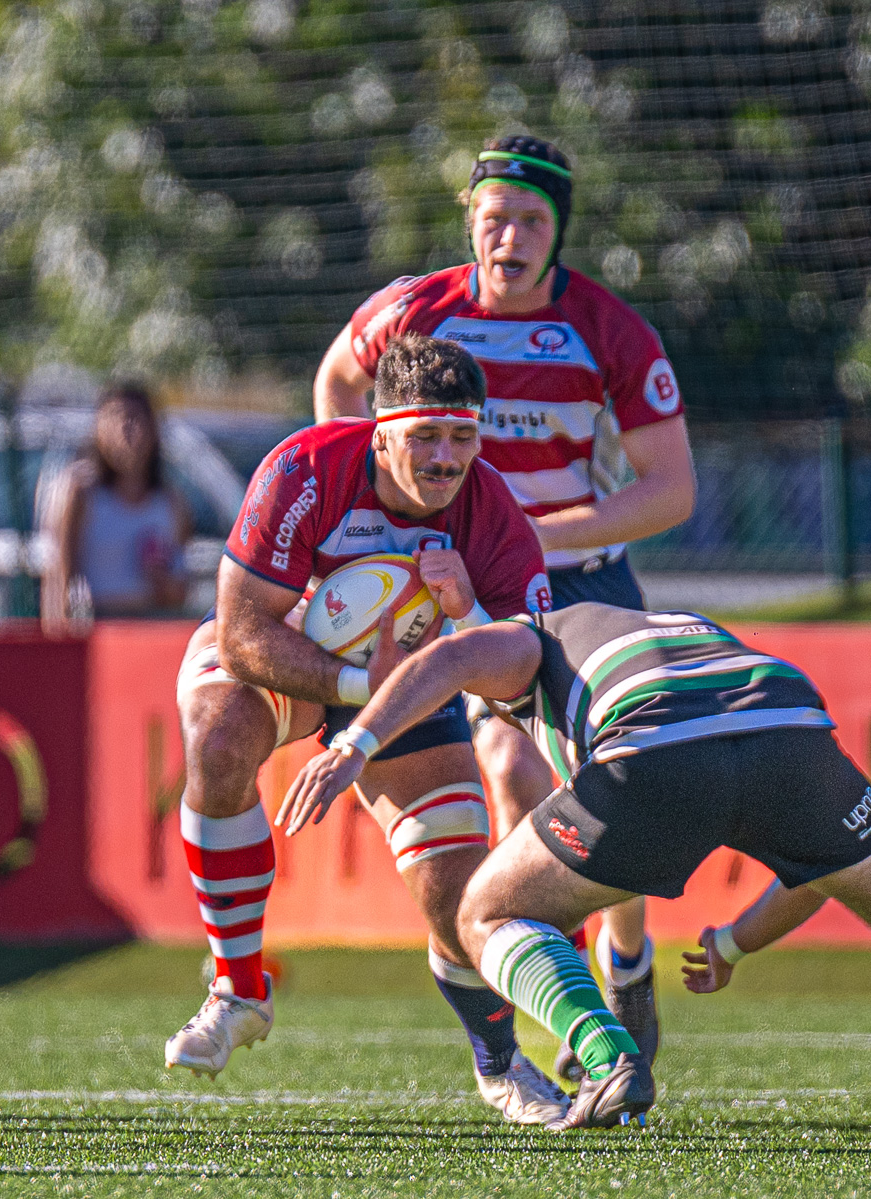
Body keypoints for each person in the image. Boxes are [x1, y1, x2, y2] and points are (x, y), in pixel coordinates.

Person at [280, 602, 871, 1131]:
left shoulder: (531, 640)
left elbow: (453, 659)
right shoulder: (680, 626)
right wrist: (733, 943)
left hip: (659, 751)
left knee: (485, 912)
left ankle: (608, 1053)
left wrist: (358, 740)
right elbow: (817, 869)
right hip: (791, 732)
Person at [312, 134, 697, 1080]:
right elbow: (336, 384)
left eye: (531, 220)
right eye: (495, 220)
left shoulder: (609, 329)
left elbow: (672, 489)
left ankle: (628, 953)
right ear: (471, 225)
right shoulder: (416, 309)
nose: (511, 236)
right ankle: (568, 1005)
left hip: (584, 582)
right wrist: (382, 500)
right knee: (511, 765)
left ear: (558, 231)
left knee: (617, 785)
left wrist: (538, 532)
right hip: (458, 581)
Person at [167, 333, 567, 1124]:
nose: (446, 458)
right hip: (300, 664)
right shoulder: (305, 469)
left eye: (463, 435)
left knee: (458, 895)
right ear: (380, 430)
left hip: (413, 686)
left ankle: (500, 1063)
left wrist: (469, 616)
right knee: (218, 740)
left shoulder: (492, 510)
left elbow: (530, 663)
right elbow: (241, 629)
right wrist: (357, 685)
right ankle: (238, 987)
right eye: (425, 435)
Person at [42, 383, 191, 626]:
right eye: (113, 417)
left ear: (153, 428)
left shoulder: (170, 501)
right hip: (97, 626)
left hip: (152, 628)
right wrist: (59, 642)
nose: (125, 428)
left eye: (134, 418)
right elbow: (59, 578)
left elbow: (181, 590)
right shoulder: (80, 492)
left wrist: (163, 582)